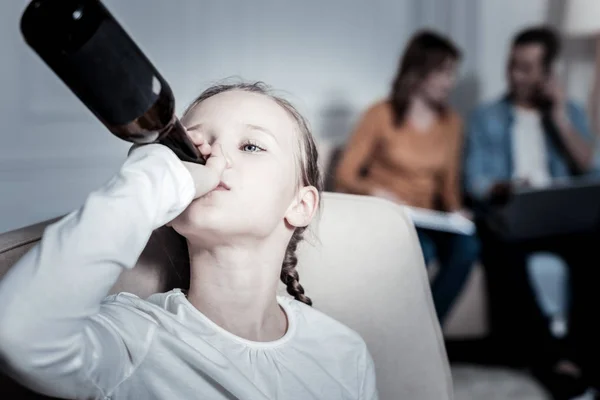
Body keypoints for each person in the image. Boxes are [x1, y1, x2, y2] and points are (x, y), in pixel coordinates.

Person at [0, 82, 378, 400]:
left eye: (251, 146)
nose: (212, 156)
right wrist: (153, 180)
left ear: (300, 204)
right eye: (193, 146)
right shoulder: (134, 337)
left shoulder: (344, 353)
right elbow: (20, 333)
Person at [464, 26, 600, 398]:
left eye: (526, 68)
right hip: (513, 215)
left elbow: (590, 168)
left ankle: (580, 353)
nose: (515, 75)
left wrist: (558, 116)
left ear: (547, 73)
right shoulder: (487, 116)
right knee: (498, 244)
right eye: (512, 65)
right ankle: (552, 356)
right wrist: (502, 187)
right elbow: (474, 179)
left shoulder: (568, 111)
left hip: (562, 218)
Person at [334, 31, 479, 325]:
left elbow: (448, 185)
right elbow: (345, 174)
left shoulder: (452, 124)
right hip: (389, 215)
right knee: (419, 250)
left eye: (452, 73)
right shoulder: (380, 114)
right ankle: (395, 331)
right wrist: (375, 191)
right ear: (418, 71)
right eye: (442, 72)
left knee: (468, 246)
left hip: (428, 217)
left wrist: (457, 212)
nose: (449, 82)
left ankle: (428, 332)